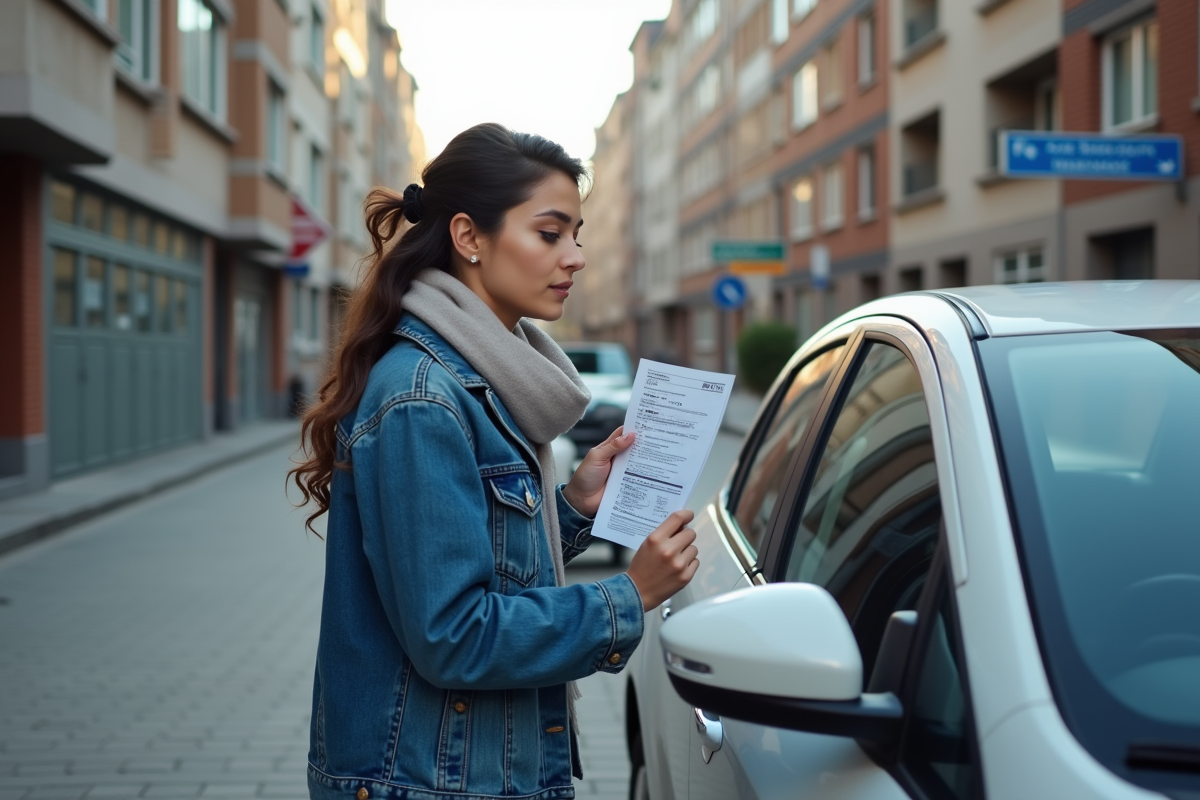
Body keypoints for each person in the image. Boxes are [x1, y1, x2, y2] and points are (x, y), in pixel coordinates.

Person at [289, 123, 699, 800]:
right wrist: (629, 596)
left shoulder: (484, 377)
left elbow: (474, 558)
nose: (576, 257)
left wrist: (569, 507)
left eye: (578, 233)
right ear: (469, 238)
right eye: (550, 233)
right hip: (431, 781)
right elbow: (452, 635)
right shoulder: (424, 398)